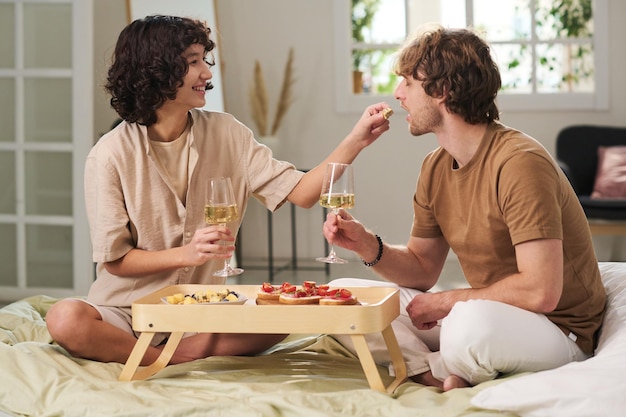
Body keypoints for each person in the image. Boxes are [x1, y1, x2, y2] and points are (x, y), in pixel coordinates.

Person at [45, 15, 391, 366]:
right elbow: (116, 260)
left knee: (285, 316)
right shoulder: (109, 155)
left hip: (203, 310)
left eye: (202, 61)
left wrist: (357, 138)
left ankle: (160, 356)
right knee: (65, 319)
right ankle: (175, 357)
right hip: (128, 313)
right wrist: (187, 254)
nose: (206, 74)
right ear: (157, 70)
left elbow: (302, 193)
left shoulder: (228, 133)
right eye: (193, 62)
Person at [323, 24, 606, 391]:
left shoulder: (520, 162)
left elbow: (541, 292)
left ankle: (432, 366)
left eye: (407, 82)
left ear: (441, 90)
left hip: (557, 330)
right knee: (343, 297)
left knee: (468, 324)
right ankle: (435, 371)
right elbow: (423, 269)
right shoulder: (435, 166)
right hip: (491, 316)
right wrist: (366, 245)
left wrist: (446, 303)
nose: (397, 95)